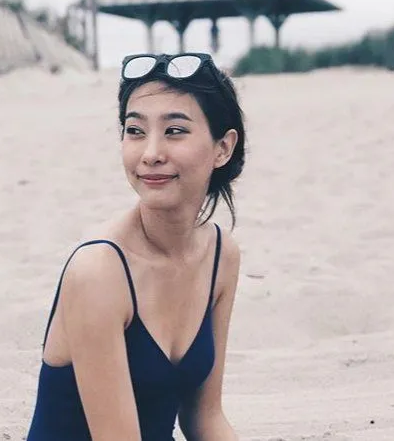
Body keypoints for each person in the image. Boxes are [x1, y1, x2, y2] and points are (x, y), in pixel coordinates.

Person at [27, 52, 246, 441]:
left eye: (174, 131)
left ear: (223, 148)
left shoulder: (220, 255)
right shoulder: (99, 271)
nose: (150, 154)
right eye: (135, 131)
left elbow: (205, 418)